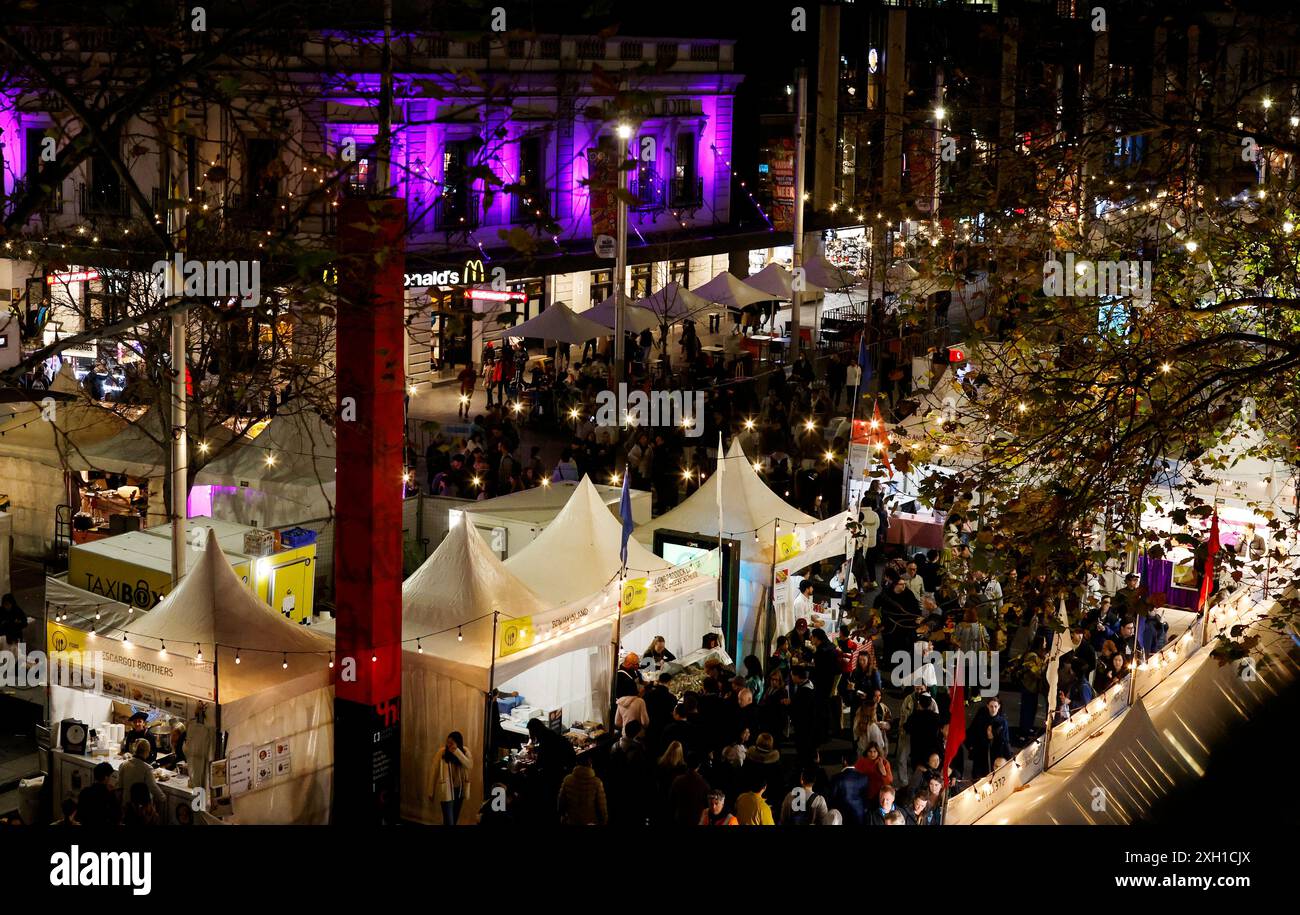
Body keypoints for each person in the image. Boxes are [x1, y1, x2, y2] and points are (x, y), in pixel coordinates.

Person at [431, 731, 471, 825]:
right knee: (449, 821)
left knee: (454, 820)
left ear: (458, 743)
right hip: (447, 791)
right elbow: (434, 771)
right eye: (447, 742)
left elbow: (469, 765)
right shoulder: (442, 752)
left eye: (451, 743)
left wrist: (457, 752)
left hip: (459, 791)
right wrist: (431, 791)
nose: (448, 745)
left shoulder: (465, 751)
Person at [966, 696, 1012, 779]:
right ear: (987, 706)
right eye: (991, 706)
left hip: (995, 752)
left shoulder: (1002, 722)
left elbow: (1005, 740)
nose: (993, 709)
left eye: (995, 706)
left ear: (999, 707)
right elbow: (973, 733)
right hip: (981, 752)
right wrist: (971, 748)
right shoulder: (981, 719)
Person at [118, 738, 165, 812]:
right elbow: (153, 787)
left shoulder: (123, 765)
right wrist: (163, 797)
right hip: (141, 809)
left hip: (126, 806)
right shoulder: (147, 768)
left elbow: (119, 787)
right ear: (147, 752)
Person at [557, 756, 608, 826]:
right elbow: (602, 808)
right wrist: (604, 821)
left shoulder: (568, 780)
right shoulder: (596, 782)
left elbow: (561, 802)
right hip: (590, 821)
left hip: (571, 820)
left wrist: (562, 815)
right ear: (590, 765)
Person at [669, 754, 711, 826]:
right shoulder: (704, 784)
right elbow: (707, 805)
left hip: (680, 819)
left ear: (686, 763)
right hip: (697, 820)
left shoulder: (677, 780)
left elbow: (671, 800)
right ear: (699, 765)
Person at [76, 762, 121, 827]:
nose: (114, 780)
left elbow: (80, 814)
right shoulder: (108, 795)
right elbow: (116, 817)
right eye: (112, 776)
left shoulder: (84, 792)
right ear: (106, 778)